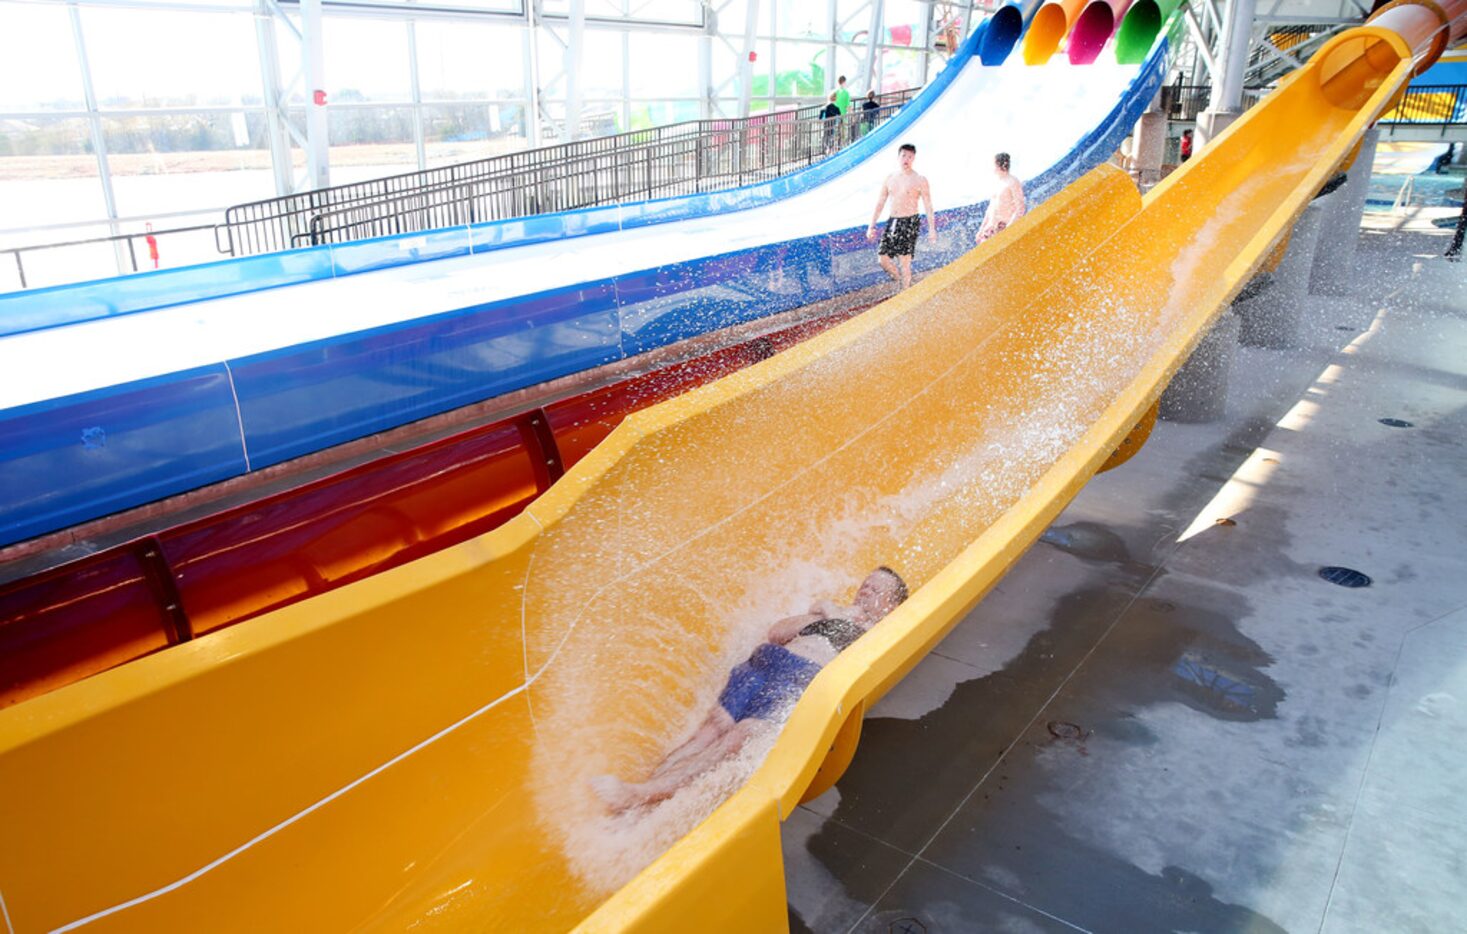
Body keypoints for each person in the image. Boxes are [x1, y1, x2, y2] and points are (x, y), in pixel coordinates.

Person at [591, 567, 910, 813]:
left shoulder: (880, 633)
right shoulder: (833, 611)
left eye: (877, 588)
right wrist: (826, 614)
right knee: (710, 730)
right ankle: (644, 790)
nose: (866, 589)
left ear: (892, 606)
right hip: (767, 663)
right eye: (866, 583)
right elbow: (776, 632)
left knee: (737, 738)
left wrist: (853, 622)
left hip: (801, 681)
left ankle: (638, 795)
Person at [867, 143, 938, 290]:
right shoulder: (890, 178)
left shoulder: (919, 179)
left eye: (910, 157)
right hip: (893, 221)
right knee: (883, 259)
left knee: (904, 262)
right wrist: (871, 225)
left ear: (914, 159)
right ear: (898, 157)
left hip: (910, 221)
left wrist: (932, 229)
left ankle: (904, 292)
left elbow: (928, 206)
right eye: (904, 156)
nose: (906, 159)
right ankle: (901, 281)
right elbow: (880, 203)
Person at [976, 152, 1025, 245]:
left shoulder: (1012, 181)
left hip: (1005, 226)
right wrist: (981, 229)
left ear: (999, 165)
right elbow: (990, 208)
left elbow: (1020, 208)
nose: (991, 167)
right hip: (992, 228)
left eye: (993, 164)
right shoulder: (996, 183)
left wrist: (1009, 228)